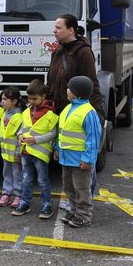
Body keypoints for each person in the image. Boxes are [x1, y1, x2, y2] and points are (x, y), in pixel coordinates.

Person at [54, 76, 101, 228]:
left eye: (69, 88)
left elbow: (93, 139)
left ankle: (83, 216)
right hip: (66, 158)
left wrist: (88, 160)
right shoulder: (68, 108)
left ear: (77, 92)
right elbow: (61, 133)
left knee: (81, 189)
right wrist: (57, 149)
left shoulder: (88, 112)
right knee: (69, 187)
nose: (66, 90)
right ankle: (74, 212)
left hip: (80, 160)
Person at [13, 79, 58, 218]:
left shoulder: (50, 115)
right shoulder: (26, 112)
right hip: (26, 151)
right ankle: (25, 202)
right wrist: (20, 135)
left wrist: (36, 140)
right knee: (26, 178)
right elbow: (22, 127)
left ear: (44, 97)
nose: (31, 101)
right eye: (29, 98)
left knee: (42, 180)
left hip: (40, 154)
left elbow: (52, 133)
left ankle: (47, 204)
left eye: (35, 98)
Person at [47, 14, 103, 117]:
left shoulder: (83, 52)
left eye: (58, 28)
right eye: (55, 28)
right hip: (56, 114)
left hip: (74, 114)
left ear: (70, 30)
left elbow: (92, 85)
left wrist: (96, 114)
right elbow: (50, 83)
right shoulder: (56, 52)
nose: (54, 31)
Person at [0, 86, 24, 208]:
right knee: (6, 173)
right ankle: (6, 193)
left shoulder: (19, 117)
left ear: (13, 101)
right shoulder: (5, 114)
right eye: (1, 99)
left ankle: (18, 195)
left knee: (17, 175)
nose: (2, 102)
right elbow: (3, 132)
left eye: (5, 99)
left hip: (15, 154)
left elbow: (20, 137)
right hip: (6, 152)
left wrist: (18, 152)